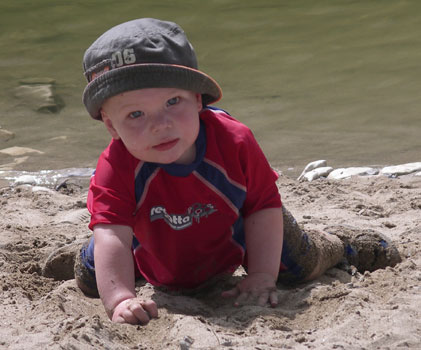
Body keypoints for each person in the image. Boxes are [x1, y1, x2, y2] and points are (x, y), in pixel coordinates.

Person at [71, 18, 400, 325]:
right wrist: (121, 300)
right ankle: (77, 256)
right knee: (93, 274)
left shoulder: (234, 140)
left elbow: (263, 207)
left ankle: (339, 244)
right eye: (136, 114)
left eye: (173, 102)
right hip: (147, 237)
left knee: (298, 264)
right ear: (111, 125)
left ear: (198, 99)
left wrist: (261, 277)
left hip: (240, 225)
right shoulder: (115, 166)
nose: (161, 124)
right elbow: (113, 234)